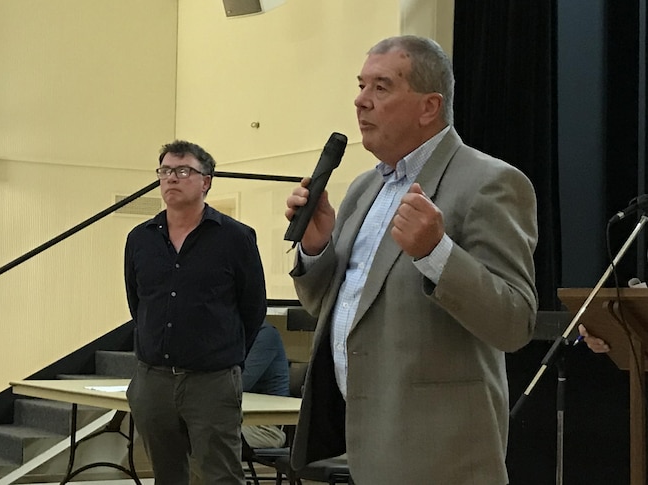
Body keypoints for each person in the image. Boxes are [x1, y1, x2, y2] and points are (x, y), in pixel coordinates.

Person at [284, 35, 538, 484]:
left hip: (442, 458)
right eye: (361, 85)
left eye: (381, 88)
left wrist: (436, 254)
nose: (361, 101)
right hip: (362, 445)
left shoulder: (490, 182)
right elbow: (334, 309)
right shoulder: (364, 189)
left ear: (429, 107)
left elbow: (514, 323)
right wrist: (317, 248)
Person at [124, 139, 267, 485]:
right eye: (165, 171)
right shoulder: (139, 239)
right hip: (153, 380)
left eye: (183, 170)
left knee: (220, 476)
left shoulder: (235, 238)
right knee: (166, 476)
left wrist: (224, 358)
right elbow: (137, 303)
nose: (172, 178)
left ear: (206, 181)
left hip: (211, 382)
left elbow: (253, 308)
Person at [242, 321, 290, 449]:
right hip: (240, 419)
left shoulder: (266, 334)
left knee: (200, 431)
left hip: (265, 428)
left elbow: (240, 383)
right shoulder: (234, 334)